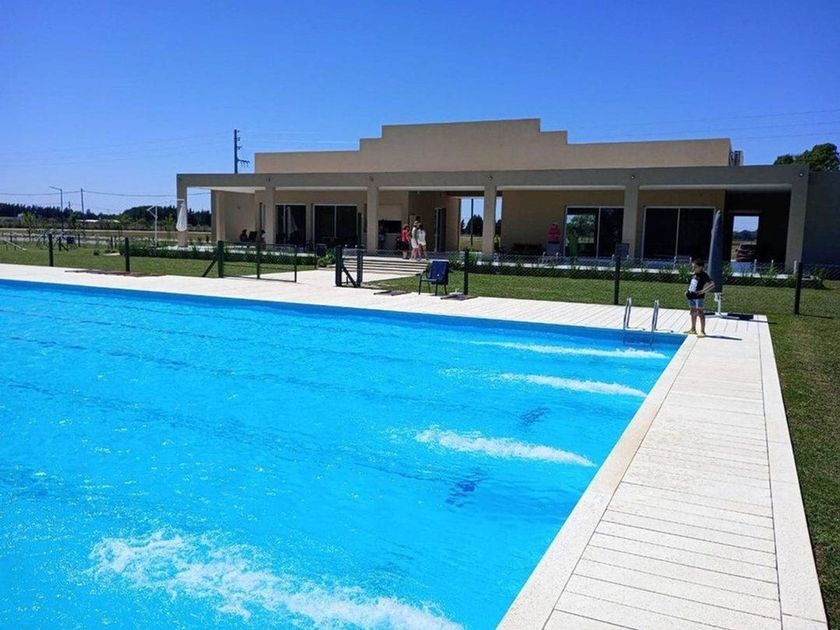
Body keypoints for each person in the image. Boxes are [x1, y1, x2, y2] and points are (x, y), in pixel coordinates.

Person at [685, 258, 715, 337]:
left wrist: (703, 291)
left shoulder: (703, 275)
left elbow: (712, 284)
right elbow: (693, 284)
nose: (693, 268)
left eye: (695, 267)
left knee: (700, 313)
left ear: (701, 267)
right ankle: (693, 329)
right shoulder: (695, 274)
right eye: (693, 267)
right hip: (691, 296)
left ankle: (702, 331)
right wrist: (687, 291)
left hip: (698, 297)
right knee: (692, 312)